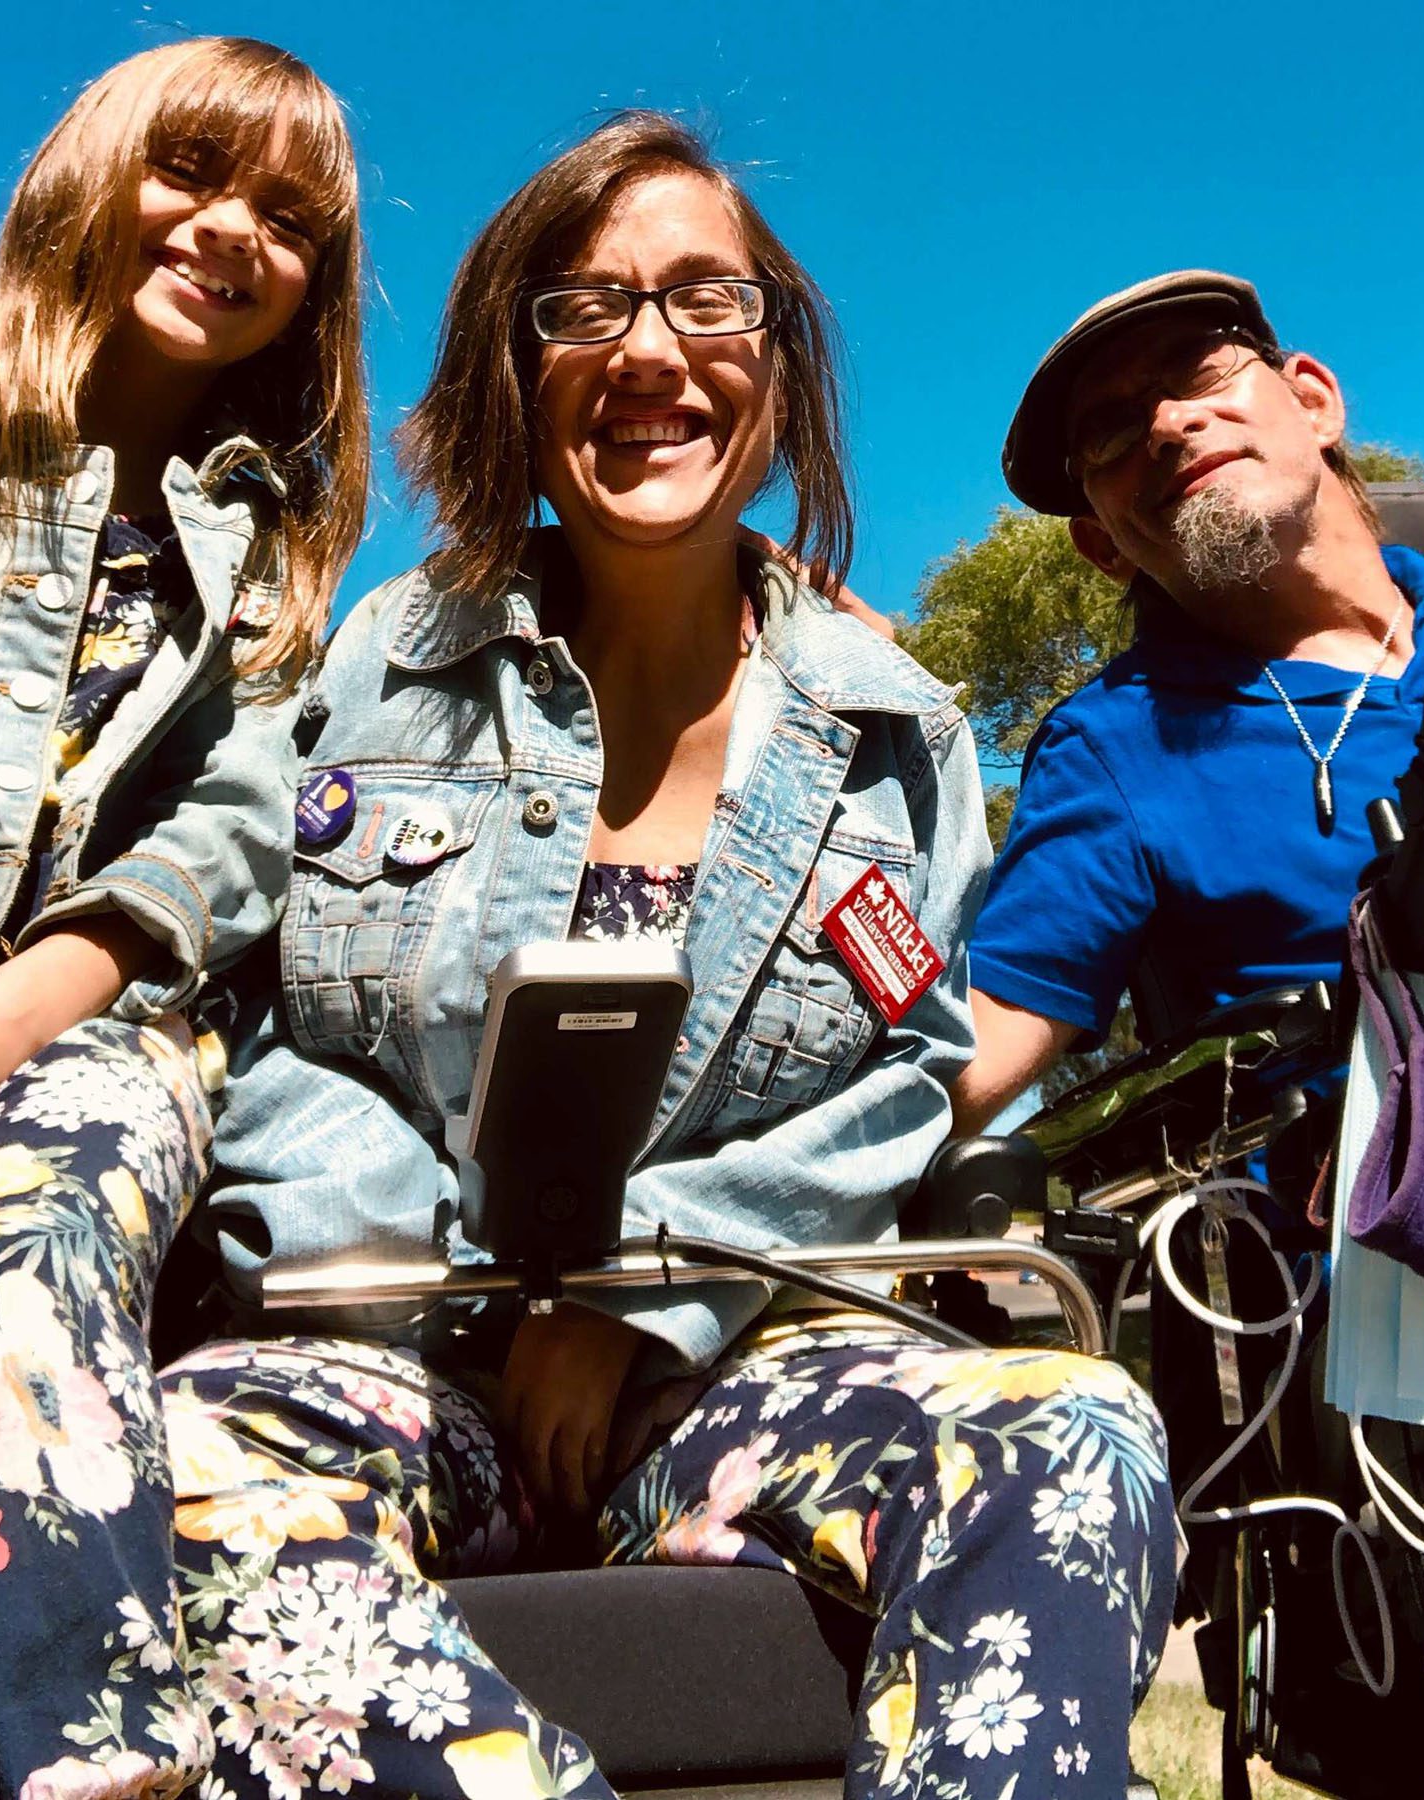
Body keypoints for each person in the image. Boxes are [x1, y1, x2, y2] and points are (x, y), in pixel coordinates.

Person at [167, 112, 1176, 1800]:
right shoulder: (381, 669)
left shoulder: (893, 735)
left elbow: (915, 1069)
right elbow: (269, 1025)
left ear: (774, 373)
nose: (651, 351)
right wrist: (490, 1286)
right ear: (516, 366)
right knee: (169, 1465)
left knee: (1070, 1435)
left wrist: (655, 1293)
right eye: (586, 307)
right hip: (392, 1355)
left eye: (710, 302)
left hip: (732, 1377)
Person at [0, 38, 369, 1797]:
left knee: (34, 1215)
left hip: (97, 1029)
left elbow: (221, 854)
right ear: (91, 174)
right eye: (194, 172)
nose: (233, 229)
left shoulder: (282, 575)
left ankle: (72, 1763)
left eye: (290, 219)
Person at [952, 269, 1424, 1133]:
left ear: (1314, 401)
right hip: (1400, 1243)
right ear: (1101, 544)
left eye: (1199, 371)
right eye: (1110, 433)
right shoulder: (1109, 746)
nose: (1168, 423)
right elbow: (979, 1049)